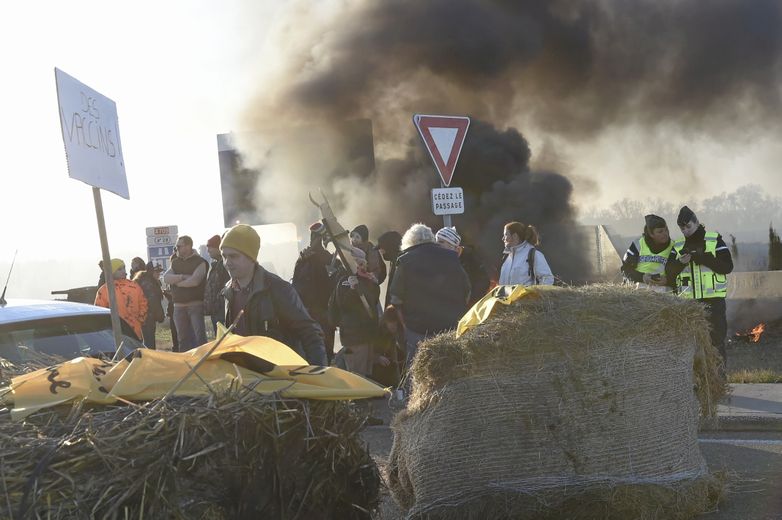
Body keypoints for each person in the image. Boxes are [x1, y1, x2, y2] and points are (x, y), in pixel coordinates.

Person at [221, 224, 328, 366]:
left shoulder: (278, 289)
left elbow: (310, 333)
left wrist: (318, 375)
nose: (227, 262)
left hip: (281, 376)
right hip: (247, 375)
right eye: (224, 256)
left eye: (233, 256)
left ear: (251, 257)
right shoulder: (228, 292)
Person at [389, 223, 471, 366]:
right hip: (449, 326)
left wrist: (406, 325)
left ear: (409, 242)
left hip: (417, 329)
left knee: (418, 368)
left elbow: (396, 298)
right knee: (448, 367)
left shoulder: (405, 261)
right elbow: (467, 290)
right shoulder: (451, 257)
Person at [665, 206, 733, 365]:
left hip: (713, 301)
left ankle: (719, 382)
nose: (685, 231)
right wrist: (680, 263)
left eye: (688, 226)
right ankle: (697, 383)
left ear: (696, 223)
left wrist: (704, 258)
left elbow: (727, 267)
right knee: (690, 345)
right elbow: (669, 272)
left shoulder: (714, 240)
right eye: (682, 228)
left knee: (716, 342)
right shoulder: (678, 245)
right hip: (688, 304)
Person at [328, 247, 380, 377]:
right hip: (354, 335)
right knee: (357, 373)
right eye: (359, 263)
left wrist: (374, 284)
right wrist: (352, 289)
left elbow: (372, 301)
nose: (362, 266)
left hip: (367, 333)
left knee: (367, 373)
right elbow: (344, 304)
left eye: (363, 263)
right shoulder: (345, 281)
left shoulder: (366, 279)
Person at [293, 222, 338, 364]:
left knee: (310, 350)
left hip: (305, 313)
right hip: (324, 313)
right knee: (326, 352)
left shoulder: (301, 259)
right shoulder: (327, 258)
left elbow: (295, 286)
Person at [163, 236, 209, 351]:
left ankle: (203, 361)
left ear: (188, 246)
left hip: (195, 305)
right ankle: (185, 362)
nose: (176, 248)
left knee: (200, 338)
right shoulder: (175, 262)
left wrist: (177, 283)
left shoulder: (200, 262)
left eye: (179, 246)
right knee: (182, 339)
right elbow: (166, 278)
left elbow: (195, 281)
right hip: (178, 307)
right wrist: (183, 277)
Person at [94, 258, 148, 341]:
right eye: (119, 269)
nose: (123, 271)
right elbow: (99, 312)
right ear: (112, 271)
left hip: (135, 333)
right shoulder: (104, 290)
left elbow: (143, 303)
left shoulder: (134, 286)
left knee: (136, 353)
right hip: (114, 334)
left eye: (124, 268)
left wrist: (140, 320)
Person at [435, 227, 490, 307]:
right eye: (436, 241)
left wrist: (468, 301)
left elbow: (483, 282)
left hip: (470, 309)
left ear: (452, 244)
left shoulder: (472, 258)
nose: (437, 245)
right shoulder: (442, 260)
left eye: (441, 242)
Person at [621, 214, 674, 293]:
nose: (665, 233)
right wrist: (642, 277)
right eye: (660, 231)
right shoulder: (638, 244)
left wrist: (668, 280)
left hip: (663, 291)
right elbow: (625, 269)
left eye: (666, 229)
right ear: (651, 234)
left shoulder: (674, 247)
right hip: (639, 290)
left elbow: (679, 273)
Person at [498, 221, 555, 286]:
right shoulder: (506, 258)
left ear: (515, 236)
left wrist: (534, 295)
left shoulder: (534, 255)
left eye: (505, 235)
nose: (503, 239)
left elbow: (548, 279)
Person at [133, 262, 165, 348]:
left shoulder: (144, 280)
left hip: (143, 316)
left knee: (146, 340)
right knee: (149, 342)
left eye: (159, 272)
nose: (159, 274)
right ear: (150, 271)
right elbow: (153, 301)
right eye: (156, 272)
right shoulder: (148, 283)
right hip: (147, 317)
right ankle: (149, 359)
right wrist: (160, 315)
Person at [204, 234, 230, 335]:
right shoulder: (216, 265)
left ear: (218, 248)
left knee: (223, 337)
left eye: (210, 247)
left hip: (222, 309)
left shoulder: (224, 265)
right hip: (216, 308)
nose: (208, 250)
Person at [376, 231, 402, 307]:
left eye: (382, 247)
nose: (380, 251)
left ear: (389, 247)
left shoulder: (400, 264)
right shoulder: (393, 262)